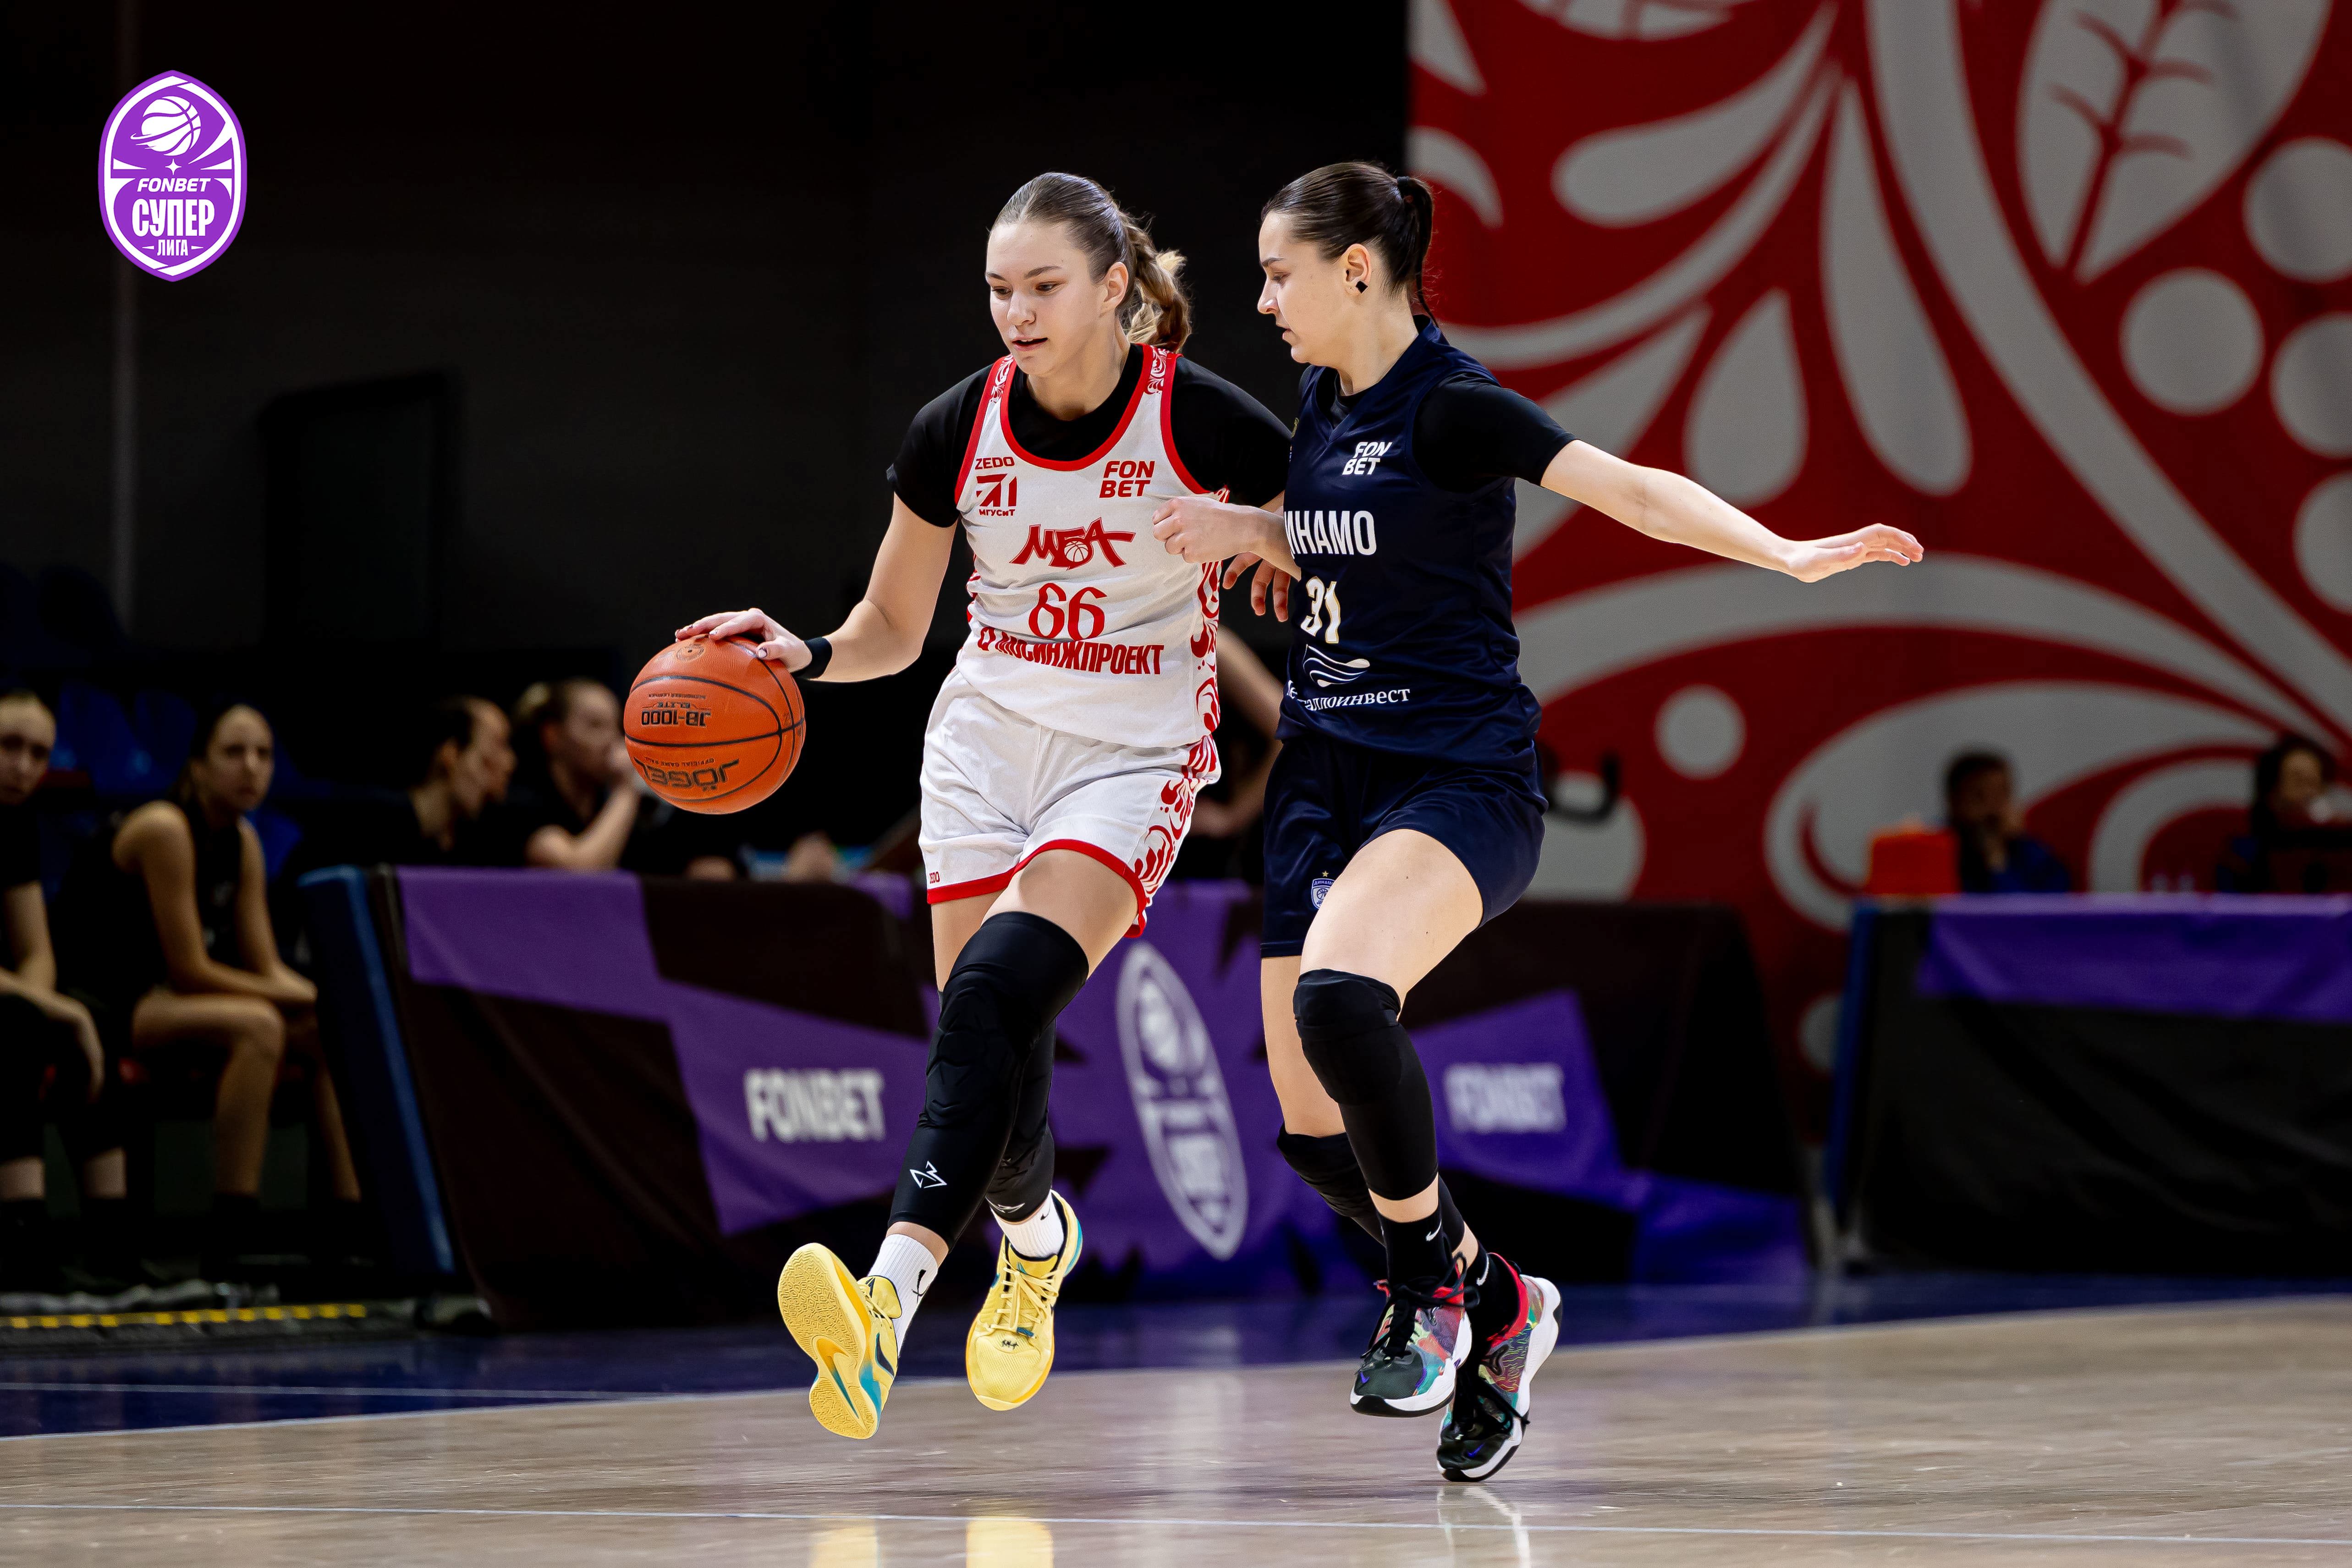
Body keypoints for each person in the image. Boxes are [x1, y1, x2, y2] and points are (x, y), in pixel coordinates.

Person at [1147, 161, 1923, 1482]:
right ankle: (1501, 1298)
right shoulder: (1322, 400)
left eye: (1280, 274)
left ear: (1357, 270)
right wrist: (1254, 528)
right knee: (1311, 1128)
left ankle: (1427, 1302)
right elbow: (1344, 534)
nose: (1263, 300)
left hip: (1453, 778)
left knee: (1342, 999)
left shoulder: (1452, 404)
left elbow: (1626, 487)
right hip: (1322, 776)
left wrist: (1786, 553)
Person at [679, 171, 1291, 1441]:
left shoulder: (1202, 418)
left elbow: (1331, 534)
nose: (1015, 311)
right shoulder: (954, 426)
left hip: (1129, 755)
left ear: (1114, 287)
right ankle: (1034, 1238)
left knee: (995, 995)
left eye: (1042, 287)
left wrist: (1253, 529)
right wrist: (803, 652)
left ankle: (883, 1308)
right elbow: (893, 625)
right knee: (990, 1044)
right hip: (983, 747)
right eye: (998, 289)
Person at [54, 703, 363, 1282]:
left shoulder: (243, 841)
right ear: (197, 766)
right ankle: (232, 1232)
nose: (252, 767)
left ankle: (351, 1228)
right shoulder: (166, 828)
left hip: (171, 1000)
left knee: (327, 1030)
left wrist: (336, 998)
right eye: (234, 753)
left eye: (264, 755)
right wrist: (303, 998)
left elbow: (265, 964)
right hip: (108, 1001)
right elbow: (191, 969)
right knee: (259, 1026)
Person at [0, 691, 130, 1292]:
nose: (23, 765)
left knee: (88, 1018)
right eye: (9, 746)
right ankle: (21, 1234)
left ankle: (111, 1241)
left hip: (10, 996)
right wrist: (43, 1009)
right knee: (18, 1022)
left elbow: (35, 948)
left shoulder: (16, 823)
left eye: (39, 753)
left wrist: (47, 1008)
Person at [486, 680, 735, 878]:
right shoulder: (523, 803)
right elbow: (578, 874)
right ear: (553, 736)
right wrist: (627, 789)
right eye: (595, 726)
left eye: (615, 726)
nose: (612, 740)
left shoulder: (609, 809)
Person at [2218, 734, 2341, 891]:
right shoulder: (2241, 858)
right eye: (2299, 783)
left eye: (2316, 784)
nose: (2309, 794)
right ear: (2272, 792)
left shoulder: (2337, 856)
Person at [1944, 750, 2071, 893]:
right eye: (1979, 797)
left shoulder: (2032, 854)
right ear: (1954, 802)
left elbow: (2051, 900)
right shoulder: (1940, 852)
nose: (1993, 809)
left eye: (2001, 795)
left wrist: (1997, 860)